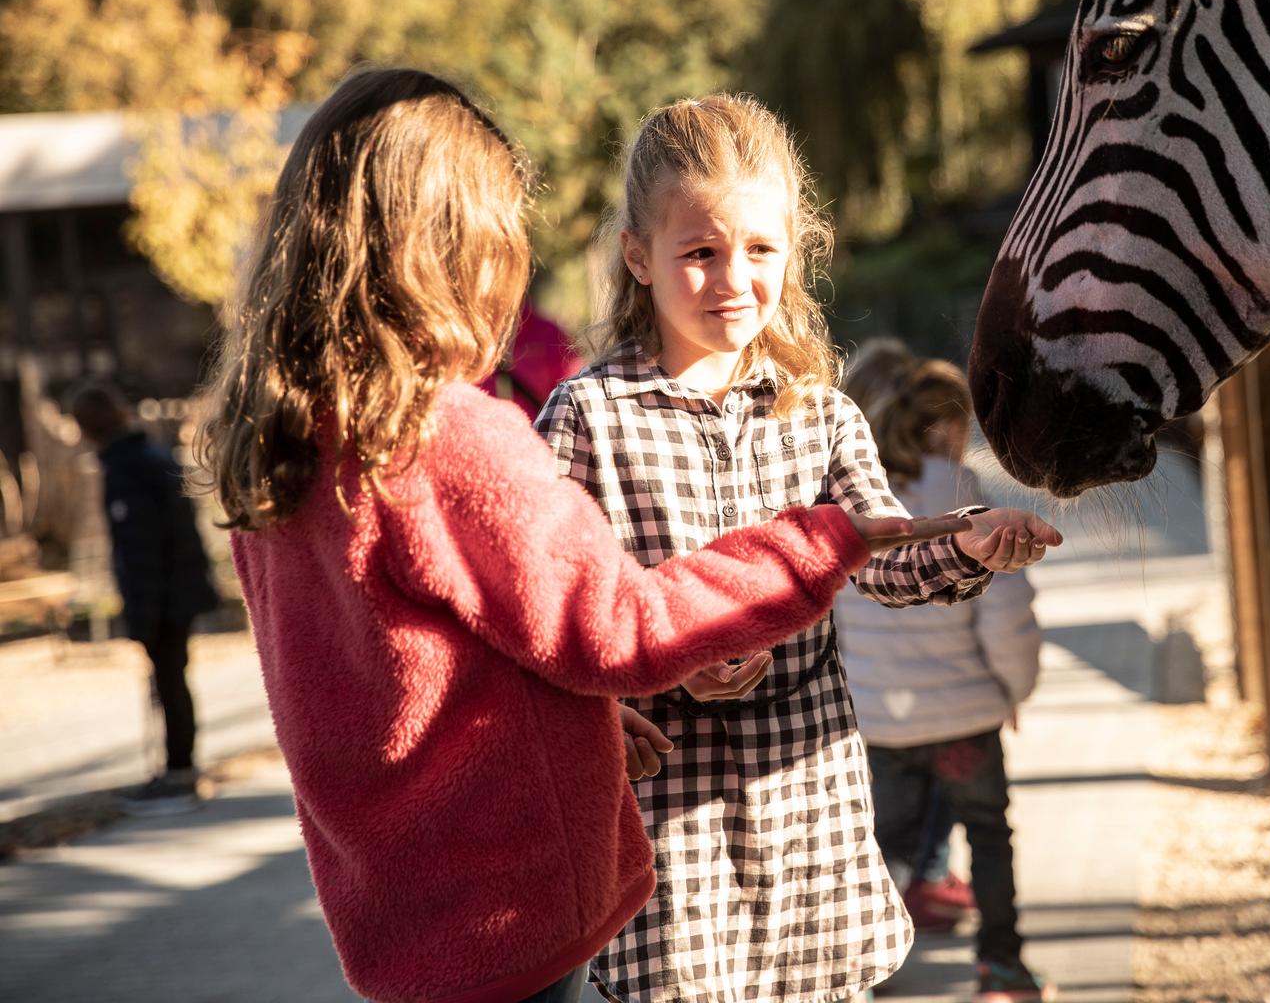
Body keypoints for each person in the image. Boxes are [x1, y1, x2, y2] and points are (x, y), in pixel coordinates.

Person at [197, 67, 947, 1003]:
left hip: (396, 916)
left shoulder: (281, 447)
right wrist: (820, 541)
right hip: (514, 906)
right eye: (501, 234)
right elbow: (619, 626)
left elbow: (434, 655)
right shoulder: (448, 436)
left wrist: (584, 716)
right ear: (451, 250)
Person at [535, 93, 1062, 1003]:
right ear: (638, 255)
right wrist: (618, 698)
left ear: (794, 249)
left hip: (808, 796)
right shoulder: (587, 419)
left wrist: (971, 547)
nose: (732, 278)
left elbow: (885, 560)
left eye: (760, 250)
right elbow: (549, 605)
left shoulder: (818, 414)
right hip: (671, 824)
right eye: (699, 253)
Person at [837, 341, 1053, 1003]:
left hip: (881, 725)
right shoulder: (960, 494)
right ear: (943, 427)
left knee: (883, 847)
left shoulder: (851, 510)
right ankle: (1002, 968)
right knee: (988, 835)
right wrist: (1012, 690)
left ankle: (865, 970)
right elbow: (1005, 612)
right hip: (964, 718)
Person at [69, 380, 220, 817]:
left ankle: (179, 772)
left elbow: (141, 549)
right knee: (171, 678)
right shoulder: (148, 455)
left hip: (165, 594)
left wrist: (142, 615)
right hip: (179, 589)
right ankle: (175, 769)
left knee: (169, 680)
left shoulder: (128, 468)